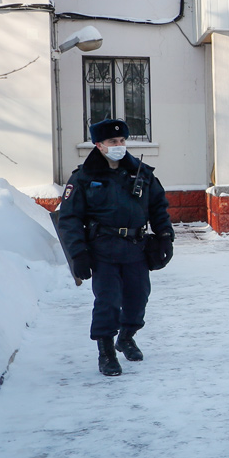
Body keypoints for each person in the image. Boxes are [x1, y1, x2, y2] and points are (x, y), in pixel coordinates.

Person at [55, 118, 173, 377]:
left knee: (138, 297)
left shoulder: (141, 172)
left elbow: (158, 206)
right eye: (112, 142)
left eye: (122, 141)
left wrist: (165, 235)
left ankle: (126, 337)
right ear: (99, 145)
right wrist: (78, 253)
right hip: (102, 249)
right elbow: (70, 219)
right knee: (108, 301)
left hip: (136, 247)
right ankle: (106, 350)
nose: (119, 145)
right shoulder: (84, 177)